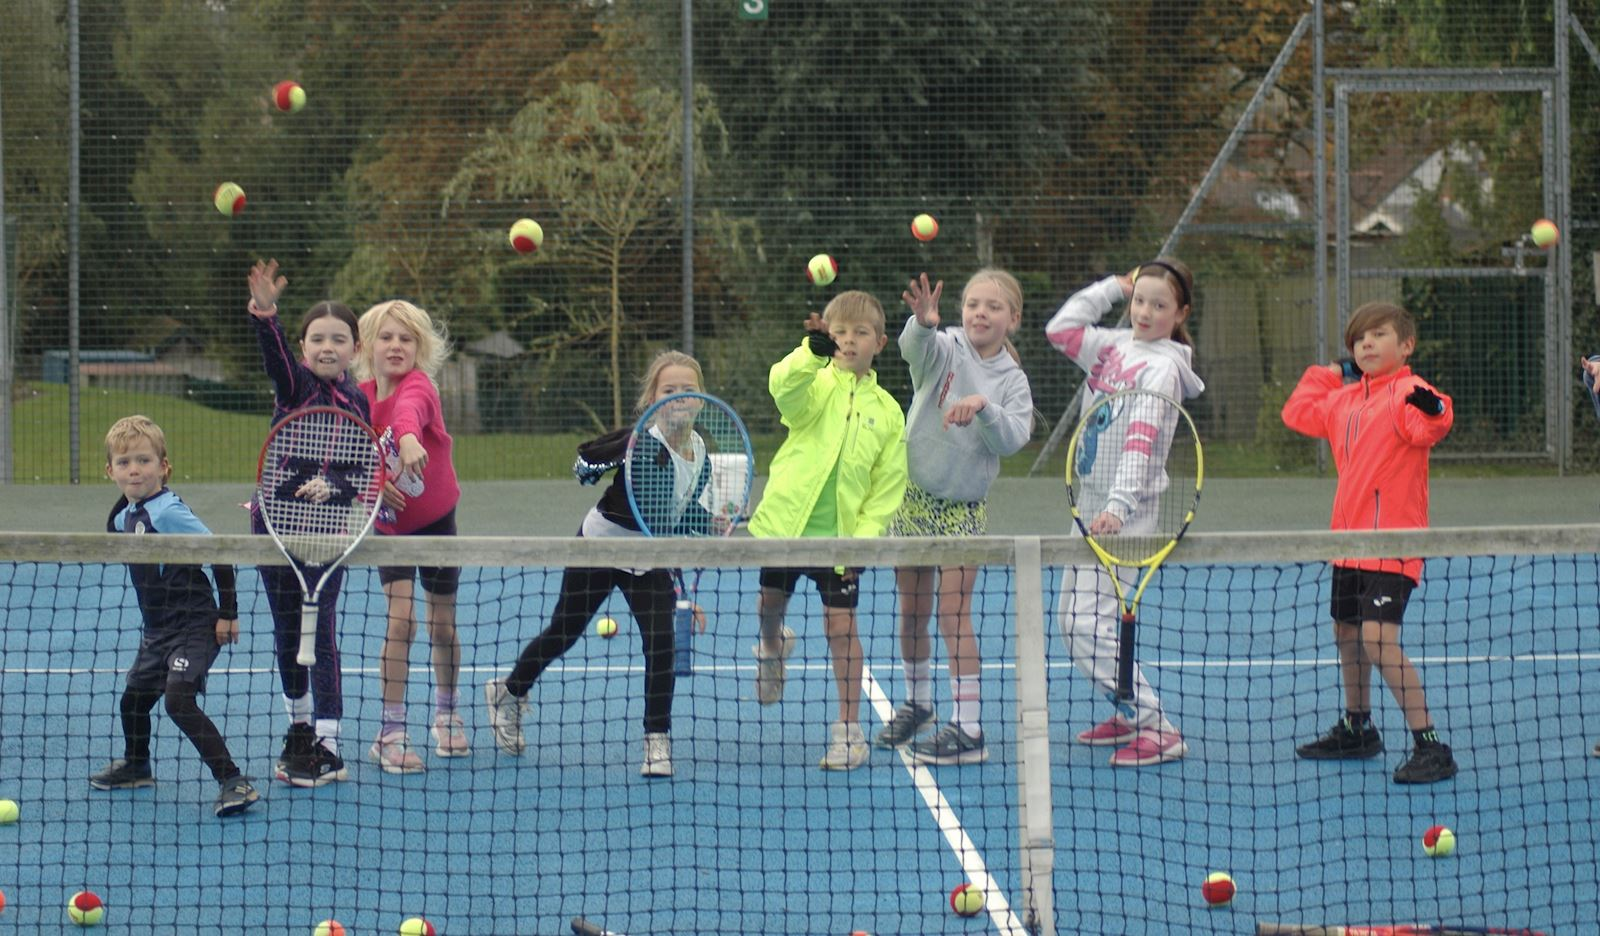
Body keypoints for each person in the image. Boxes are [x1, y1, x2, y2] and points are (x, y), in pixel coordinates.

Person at [484, 350, 715, 778]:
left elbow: (677, 516)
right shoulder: (640, 443)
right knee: (564, 632)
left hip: (648, 558)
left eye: (688, 389)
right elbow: (584, 466)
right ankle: (509, 691)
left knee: (661, 644)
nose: (679, 397)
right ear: (652, 399)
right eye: (669, 389)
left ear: (702, 399)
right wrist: (602, 460)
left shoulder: (701, 454)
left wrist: (708, 526)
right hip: (599, 548)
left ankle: (657, 738)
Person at [1282, 300, 1458, 784]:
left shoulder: (1406, 393)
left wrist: (1434, 408)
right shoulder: (1343, 401)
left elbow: (1433, 421)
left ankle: (1430, 745)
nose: (1367, 344)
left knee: (1379, 641)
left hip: (1392, 545)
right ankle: (1358, 728)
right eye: (1359, 339)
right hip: (1349, 544)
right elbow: (1297, 413)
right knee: (1347, 634)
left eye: (1378, 335)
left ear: (1406, 345)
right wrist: (1328, 372)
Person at [1044, 259, 1204, 767]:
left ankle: (1157, 725)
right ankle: (1127, 704)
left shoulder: (1163, 369)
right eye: (1139, 300)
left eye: (1160, 304)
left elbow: (1142, 441)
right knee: (1073, 623)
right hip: (1090, 505)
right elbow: (1060, 330)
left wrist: (1118, 506)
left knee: (1084, 626)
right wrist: (1112, 286)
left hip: (1123, 516)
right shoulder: (1112, 346)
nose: (1145, 311)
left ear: (1180, 313)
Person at [875, 270, 1034, 766]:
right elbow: (911, 351)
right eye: (972, 304)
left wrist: (983, 407)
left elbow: (1013, 439)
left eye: (993, 306)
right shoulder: (943, 347)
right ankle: (919, 703)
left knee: (952, 613)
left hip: (962, 511)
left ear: (1013, 319)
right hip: (913, 500)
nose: (980, 313)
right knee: (912, 611)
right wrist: (922, 324)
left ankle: (968, 728)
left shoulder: (1013, 382)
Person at [748, 291, 909, 771]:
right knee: (768, 605)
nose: (849, 340)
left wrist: (863, 540)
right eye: (839, 333)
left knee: (841, 628)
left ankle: (848, 732)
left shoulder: (888, 411)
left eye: (861, 333)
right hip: (786, 529)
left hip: (842, 541)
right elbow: (783, 390)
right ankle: (772, 649)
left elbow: (887, 485)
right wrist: (808, 353)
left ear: (879, 343)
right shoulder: (815, 383)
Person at [92, 416, 259, 818]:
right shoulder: (126, 514)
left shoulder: (168, 510)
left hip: (195, 625)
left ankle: (234, 780)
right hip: (158, 631)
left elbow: (219, 550)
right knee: (133, 701)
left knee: (178, 701)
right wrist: (127, 495)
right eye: (124, 463)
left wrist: (228, 614)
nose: (134, 470)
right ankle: (137, 766)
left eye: (144, 461)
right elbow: (115, 529)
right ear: (110, 471)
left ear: (164, 467)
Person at [247, 259, 366, 787]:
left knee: (321, 635)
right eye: (317, 338)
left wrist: (334, 486)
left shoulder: (358, 401)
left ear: (354, 349)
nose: (327, 346)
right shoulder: (293, 386)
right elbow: (273, 359)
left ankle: (329, 743)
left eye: (338, 339)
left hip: (330, 535)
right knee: (285, 629)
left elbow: (361, 469)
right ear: (302, 347)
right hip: (274, 525)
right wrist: (265, 314)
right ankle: (298, 728)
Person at [355, 300, 466, 773]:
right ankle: (392, 731)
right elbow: (346, 458)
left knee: (442, 626)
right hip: (390, 525)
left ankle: (447, 713)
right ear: (367, 347)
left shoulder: (421, 386)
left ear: (420, 348)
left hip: (437, 519)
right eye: (386, 337)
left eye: (407, 338)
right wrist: (372, 485)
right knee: (401, 622)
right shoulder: (356, 398)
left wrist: (407, 438)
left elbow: (408, 412)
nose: (396, 346)